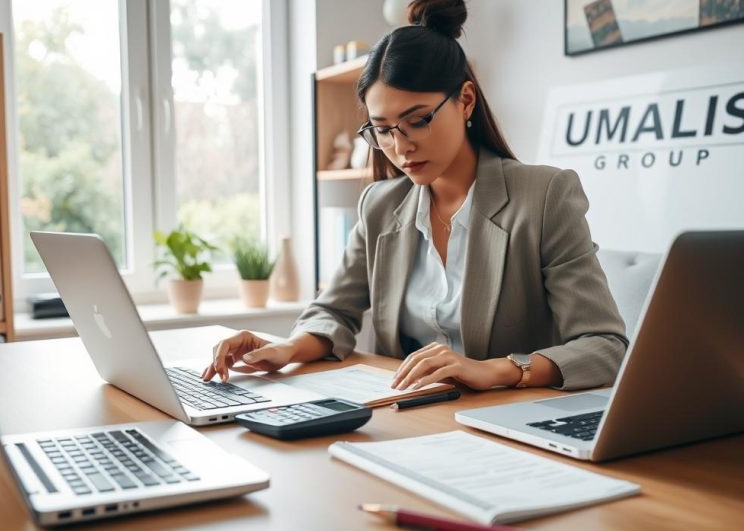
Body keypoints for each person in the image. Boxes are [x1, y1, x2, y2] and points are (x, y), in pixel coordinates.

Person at [203, 0, 627, 392]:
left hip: (505, 419)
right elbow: (334, 311)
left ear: (465, 101)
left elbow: (604, 345)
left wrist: (495, 369)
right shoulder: (380, 205)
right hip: (406, 414)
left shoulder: (544, 195)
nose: (400, 146)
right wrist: (285, 349)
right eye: (382, 129)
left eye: (417, 120)